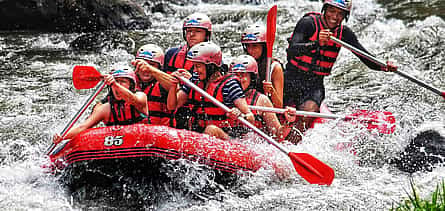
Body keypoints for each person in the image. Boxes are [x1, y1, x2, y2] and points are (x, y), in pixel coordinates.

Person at [284, 0, 397, 134]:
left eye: (340, 14)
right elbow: (292, 51)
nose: (335, 17)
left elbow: (366, 58)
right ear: (325, 10)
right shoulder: (308, 24)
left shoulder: (344, 34)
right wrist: (316, 43)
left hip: (314, 84)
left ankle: (292, 145)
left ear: (345, 16)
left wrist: (385, 66)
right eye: (332, 11)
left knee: (307, 114)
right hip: (292, 77)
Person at [169, 41, 255, 140]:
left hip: (229, 139)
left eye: (198, 66)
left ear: (211, 66)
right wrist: (173, 86)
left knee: (211, 130)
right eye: (194, 66)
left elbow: (250, 117)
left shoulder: (230, 85)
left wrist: (239, 115)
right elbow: (172, 106)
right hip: (200, 136)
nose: (195, 70)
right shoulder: (194, 81)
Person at [53, 67, 148, 144]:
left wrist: (114, 83)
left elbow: (134, 100)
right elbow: (83, 127)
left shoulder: (141, 96)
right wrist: (62, 137)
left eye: (123, 81)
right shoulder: (105, 108)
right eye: (116, 81)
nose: (118, 85)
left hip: (143, 141)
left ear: (131, 86)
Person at [229, 55, 297, 141]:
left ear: (251, 78)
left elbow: (277, 135)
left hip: (252, 146)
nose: (238, 79)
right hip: (229, 142)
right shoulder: (223, 96)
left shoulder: (261, 100)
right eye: (235, 75)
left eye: (243, 74)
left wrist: (288, 122)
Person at [163, 12, 213, 129]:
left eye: (198, 31)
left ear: (206, 35)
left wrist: (191, 80)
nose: (192, 34)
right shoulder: (172, 54)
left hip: (195, 110)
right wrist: (174, 81)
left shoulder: (213, 58)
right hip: (172, 105)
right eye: (189, 31)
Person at [241, 24, 284, 108]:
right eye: (248, 46)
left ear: (264, 47)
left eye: (254, 46)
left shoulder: (274, 68)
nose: (250, 50)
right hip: (250, 109)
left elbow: (279, 106)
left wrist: (271, 91)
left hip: (268, 111)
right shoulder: (242, 64)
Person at [134, 44, 176, 127]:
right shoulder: (128, 83)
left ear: (159, 68)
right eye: (142, 65)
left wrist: (151, 70)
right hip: (135, 133)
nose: (145, 69)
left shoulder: (163, 84)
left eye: (152, 64)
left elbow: (173, 85)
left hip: (160, 133)